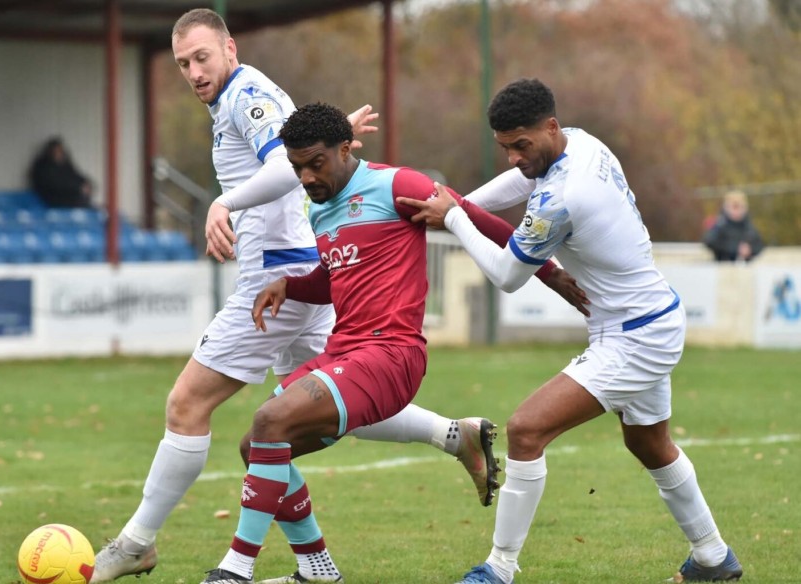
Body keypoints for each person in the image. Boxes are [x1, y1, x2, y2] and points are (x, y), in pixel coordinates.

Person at [90, 11, 586, 583]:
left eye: (202, 57)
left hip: (294, 287)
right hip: (297, 282)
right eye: (182, 64)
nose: (194, 71)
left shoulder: (250, 96)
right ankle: (328, 557)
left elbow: (458, 209)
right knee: (272, 437)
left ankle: (161, 548)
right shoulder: (323, 197)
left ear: (229, 47)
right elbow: (296, 155)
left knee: (192, 407)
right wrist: (324, 159)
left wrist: (226, 203)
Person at [201, 102, 585, 584]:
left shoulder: (396, 185)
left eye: (315, 164)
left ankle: (235, 570)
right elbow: (336, 278)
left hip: (392, 354)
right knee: (256, 444)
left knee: (268, 420)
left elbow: (473, 216)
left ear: (345, 149)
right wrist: (292, 286)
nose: (306, 177)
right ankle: (316, 569)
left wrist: (550, 274)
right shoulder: (318, 209)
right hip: (346, 352)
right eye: (297, 168)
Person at [398, 78, 743, 583]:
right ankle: (713, 558)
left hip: (635, 336)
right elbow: (523, 182)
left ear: (550, 127)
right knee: (649, 444)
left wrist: (455, 217)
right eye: (505, 147)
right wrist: (461, 203)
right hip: (650, 317)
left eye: (521, 145)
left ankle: (499, 569)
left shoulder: (561, 198)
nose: (514, 157)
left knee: (526, 429)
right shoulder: (580, 141)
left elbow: (508, 276)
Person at [28, 137, 95, 208]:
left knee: (87, 201)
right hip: (51, 197)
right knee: (78, 199)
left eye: (60, 151)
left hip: (66, 195)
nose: (58, 153)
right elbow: (55, 184)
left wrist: (86, 184)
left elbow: (75, 175)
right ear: (50, 152)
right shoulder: (42, 166)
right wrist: (78, 187)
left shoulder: (65, 164)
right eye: (56, 151)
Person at [702, 190, 765, 262]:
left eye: (739, 207)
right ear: (726, 207)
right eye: (734, 207)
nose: (737, 211)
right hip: (723, 267)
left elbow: (759, 245)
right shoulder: (720, 225)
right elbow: (709, 241)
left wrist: (750, 250)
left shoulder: (749, 227)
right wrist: (735, 248)